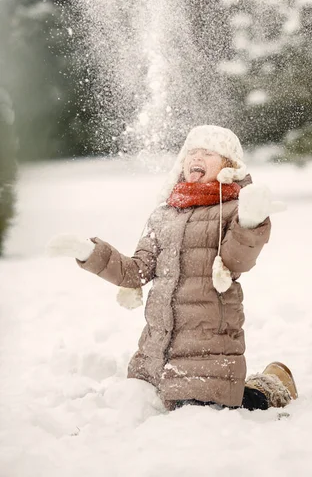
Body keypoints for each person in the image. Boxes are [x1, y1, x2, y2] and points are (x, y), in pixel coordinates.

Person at [47, 125, 298, 411]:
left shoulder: (233, 210)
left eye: (207, 153)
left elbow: (236, 262)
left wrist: (250, 223)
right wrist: (90, 253)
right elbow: (136, 272)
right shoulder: (165, 214)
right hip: (155, 353)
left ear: (229, 165)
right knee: (136, 402)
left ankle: (273, 386)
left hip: (207, 351)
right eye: (192, 152)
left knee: (208, 408)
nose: (196, 158)